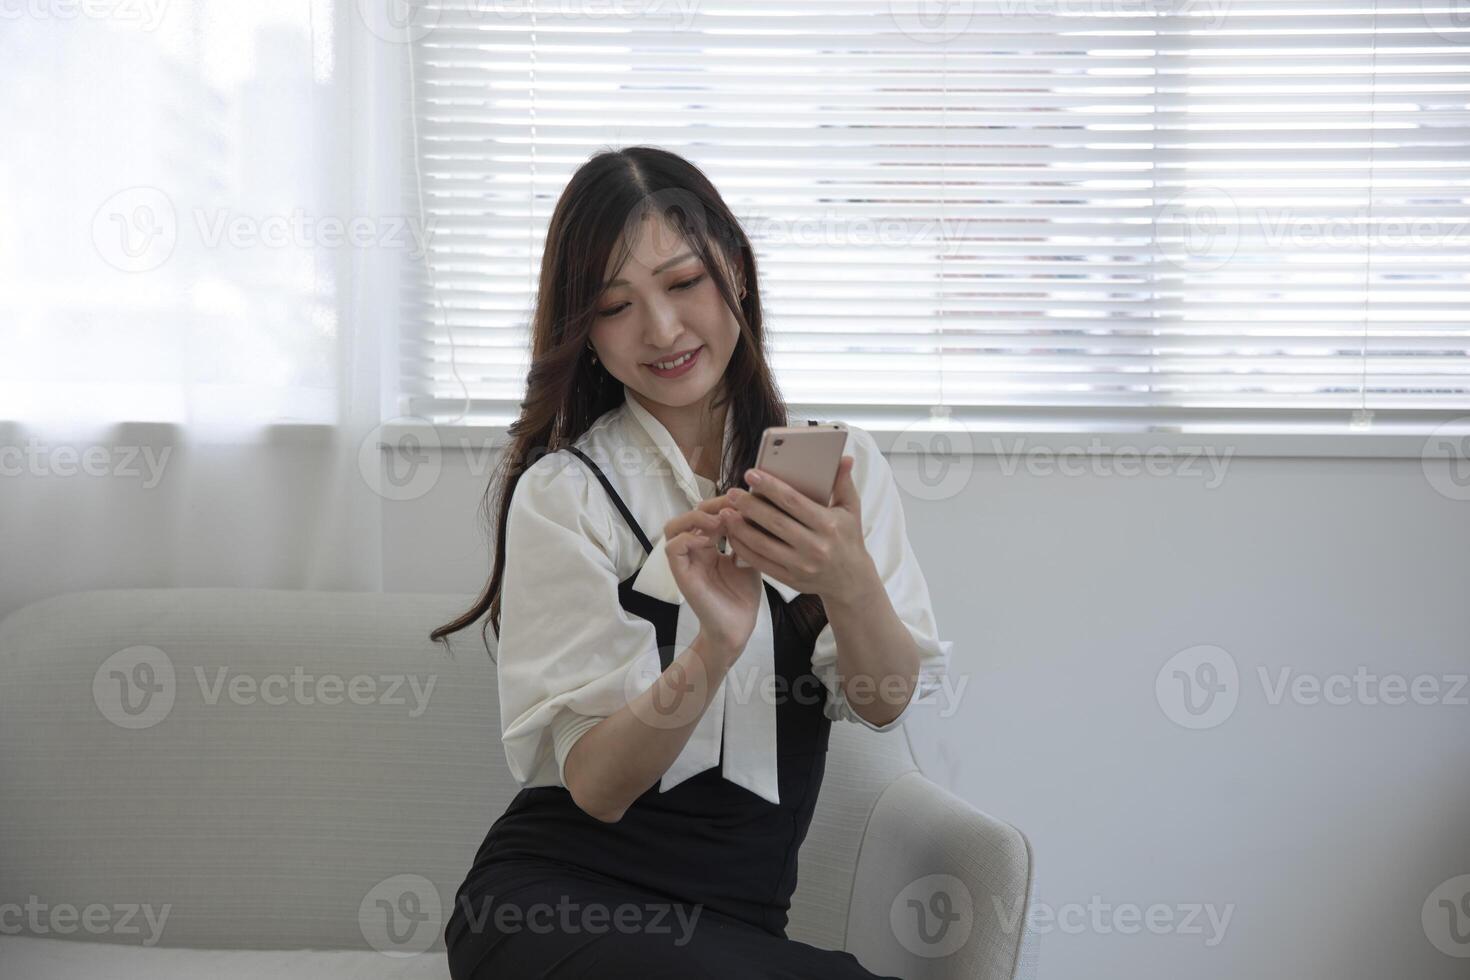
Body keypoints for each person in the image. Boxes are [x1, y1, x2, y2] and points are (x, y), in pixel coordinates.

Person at [430, 145, 952, 979]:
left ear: (735, 273)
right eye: (615, 305)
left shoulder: (843, 472)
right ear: (586, 336)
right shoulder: (565, 494)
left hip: (736, 925)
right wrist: (713, 649)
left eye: (683, 284)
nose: (663, 330)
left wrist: (847, 581)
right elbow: (596, 787)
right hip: (550, 903)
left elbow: (884, 704)